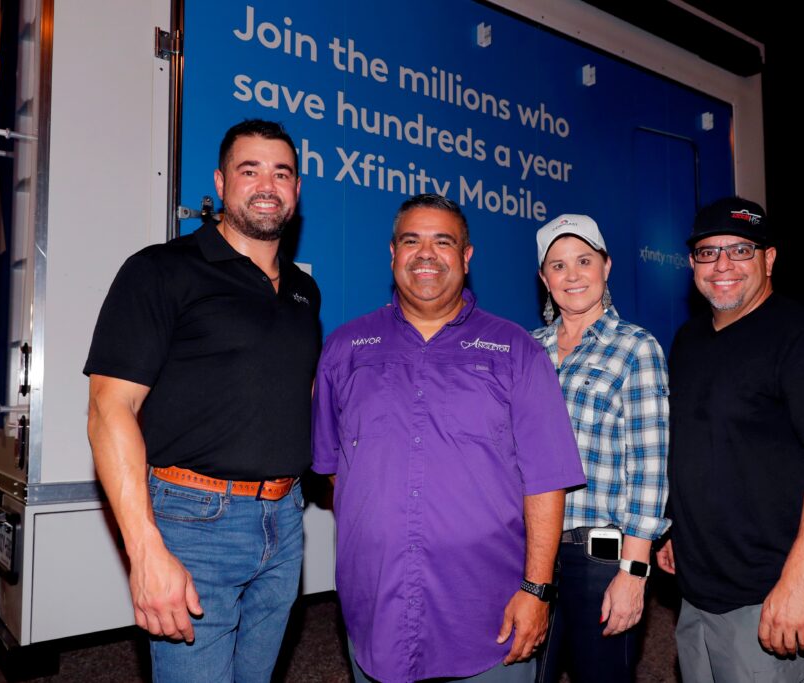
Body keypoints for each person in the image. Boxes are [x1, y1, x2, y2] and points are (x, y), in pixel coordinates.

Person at [312, 194, 585, 683]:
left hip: (488, 616)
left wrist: (538, 589)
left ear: (466, 256)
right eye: (412, 240)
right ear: (392, 252)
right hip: (376, 608)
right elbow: (333, 474)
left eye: (443, 242)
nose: (426, 254)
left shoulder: (516, 351)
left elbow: (546, 481)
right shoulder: (346, 349)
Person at [85, 119, 321, 682]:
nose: (268, 183)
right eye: (250, 169)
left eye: (281, 172)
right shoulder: (160, 271)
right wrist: (144, 551)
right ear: (220, 182)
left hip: (285, 523)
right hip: (193, 523)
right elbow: (108, 411)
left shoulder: (303, 291)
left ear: (297, 190)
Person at [656, 197, 804, 682]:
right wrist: (675, 526)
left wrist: (798, 581)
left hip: (769, 586)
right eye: (709, 252)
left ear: (769, 259)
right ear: (692, 263)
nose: (723, 265)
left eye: (741, 250)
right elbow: (696, 441)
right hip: (700, 581)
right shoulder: (689, 339)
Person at [530, 214, 670, 682]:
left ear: (606, 267)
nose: (572, 276)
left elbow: (650, 469)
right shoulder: (528, 351)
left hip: (599, 559)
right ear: (544, 279)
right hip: (530, 551)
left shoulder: (636, 348)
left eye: (584, 261)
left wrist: (634, 572)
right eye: (558, 265)